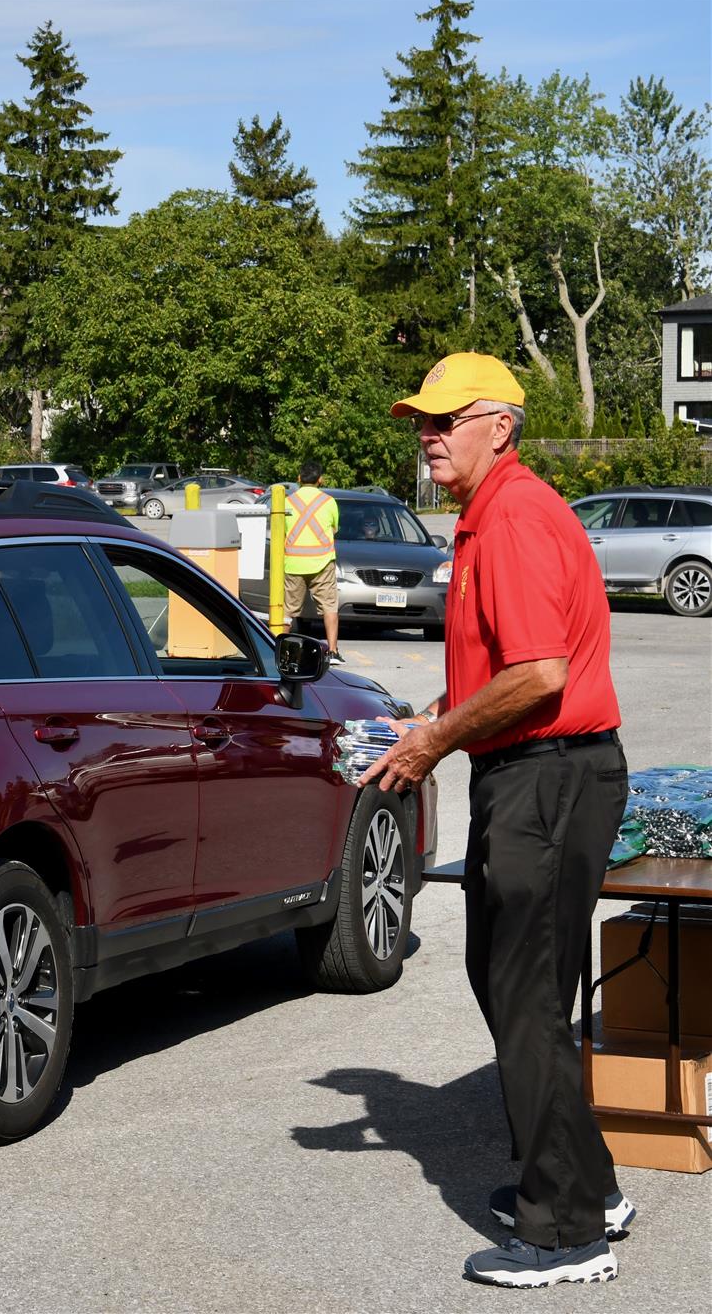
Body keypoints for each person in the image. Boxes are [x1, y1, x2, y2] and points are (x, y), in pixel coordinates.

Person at [361, 353, 630, 1290]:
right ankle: (589, 1186)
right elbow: (504, 668)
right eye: (421, 422)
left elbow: (540, 675)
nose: (427, 436)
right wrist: (432, 717)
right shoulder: (490, 515)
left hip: (547, 777)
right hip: (534, 776)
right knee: (511, 983)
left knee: (523, 996)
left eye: (445, 420)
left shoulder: (511, 515)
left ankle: (564, 1234)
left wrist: (432, 743)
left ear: (499, 427)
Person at [284, 460, 342, 663]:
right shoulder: (329, 502)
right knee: (329, 606)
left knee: (288, 611)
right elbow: (334, 528)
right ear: (321, 480)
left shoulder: (287, 502)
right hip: (322, 562)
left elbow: (281, 530)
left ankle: (280, 650)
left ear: (299, 478)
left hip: (294, 563)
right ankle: (332, 651)